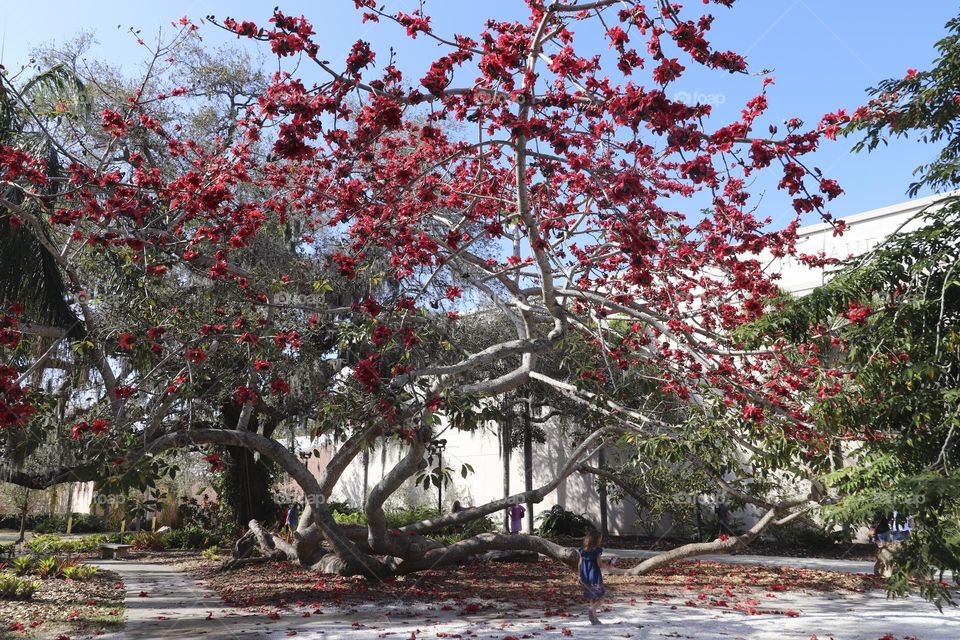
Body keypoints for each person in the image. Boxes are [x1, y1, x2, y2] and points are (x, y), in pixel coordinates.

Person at [578, 529, 606, 625]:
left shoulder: (582, 550)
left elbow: (579, 564)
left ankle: (594, 619)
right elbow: (599, 564)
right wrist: (609, 566)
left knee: (592, 598)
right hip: (595, 577)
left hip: (585, 577)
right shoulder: (597, 551)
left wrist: (579, 576)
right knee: (600, 599)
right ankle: (592, 609)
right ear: (596, 540)